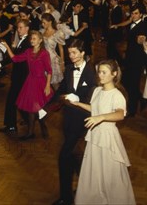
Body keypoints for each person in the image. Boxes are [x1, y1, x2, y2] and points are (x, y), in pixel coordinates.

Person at [71, 59, 135, 205]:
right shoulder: (97, 91)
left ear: (114, 74)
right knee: (95, 170)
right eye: (99, 72)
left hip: (108, 137)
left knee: (110, 172)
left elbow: (120, 114)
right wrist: (77, 104)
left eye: (104, 72)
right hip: (95, 136)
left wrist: (101, 117)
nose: (100, 75)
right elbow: (95, 109)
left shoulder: (117, 95)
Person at [51, 39, 97, 205]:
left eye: (74, 53)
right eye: (69, 53)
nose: (71, 56)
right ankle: (87, 187)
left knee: (64, 156)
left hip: (83, 122)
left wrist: (78, 99)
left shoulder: (92, 73)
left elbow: (94, 99)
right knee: (74, 156)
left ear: (83, 53)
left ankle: (65, 197)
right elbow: (62, 90)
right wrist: (47, 105)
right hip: (68, 119)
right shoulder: (70, 69)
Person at [2, 30, 53, 140]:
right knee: (32, 108)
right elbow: (15, 59)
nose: (31, 40)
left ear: (40, 40)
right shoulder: (28, 51)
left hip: (40, 82)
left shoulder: (44, 53)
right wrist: (7, 47)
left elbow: (49, 70)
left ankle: (42, 124)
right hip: (30, 81)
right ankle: (30, 132)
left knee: (37, 107)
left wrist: (48, 85)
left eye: (34, 39)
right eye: (31, 39)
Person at [0, 19, 31, 134]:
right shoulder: (23, 40)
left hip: (22, 77)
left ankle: (12, 126)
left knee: (12, 101)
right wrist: (1, 65)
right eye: (18, 28)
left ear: (27, 28)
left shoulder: (27, 42)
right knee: (17, 102)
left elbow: (17, 59)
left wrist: (7, 47)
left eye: (21, 27)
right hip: (18, 76)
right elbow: (15, 56)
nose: (19, 30)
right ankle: (25, 122)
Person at [121, 5, 147, 117]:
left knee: (133, 84)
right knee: (125, 82)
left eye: (136, 13)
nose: (133, 15)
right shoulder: (131, 24)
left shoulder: (143, 26)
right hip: (129, 57)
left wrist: (141, 39)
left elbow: (140, 41)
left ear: (141, 14)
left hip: (137, 59)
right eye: (132, 13)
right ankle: (142, 99)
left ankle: (132, 110)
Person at [41, 13, 66, 87]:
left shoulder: (57, 33)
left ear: (50, 22)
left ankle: (57, 98)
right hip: (43, 58)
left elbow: (61, 49)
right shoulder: (42, 32)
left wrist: (62, 62)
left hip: (52, 59)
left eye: (44, 22)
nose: (42, 24)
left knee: (55, 84)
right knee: (44, 82)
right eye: (42, 22)